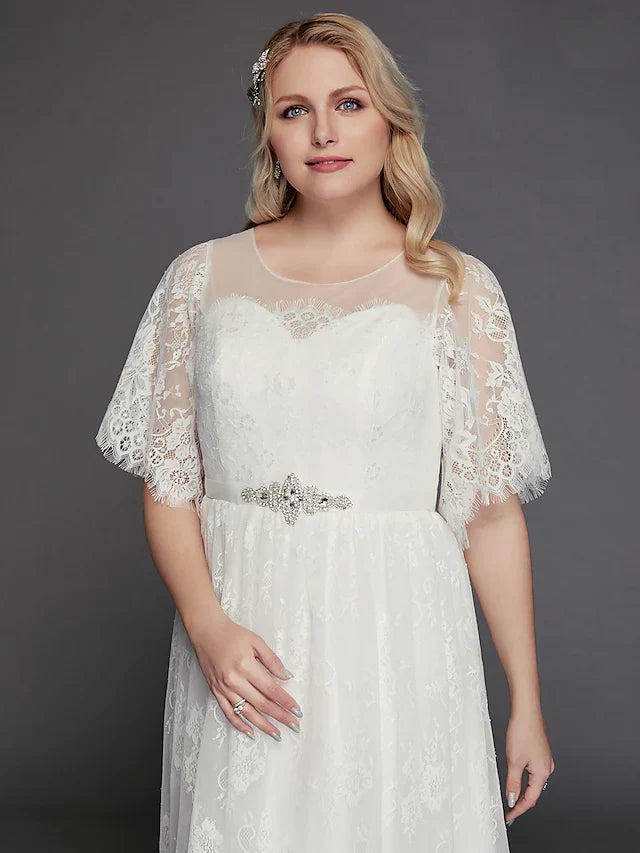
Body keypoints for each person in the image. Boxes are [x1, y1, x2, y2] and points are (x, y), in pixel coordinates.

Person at [95, 12, 555, 852]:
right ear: (268, 132)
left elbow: (489, 515)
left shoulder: (457, 288)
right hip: (243, 637)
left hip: (395, 630)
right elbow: (169, 484)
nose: (323, 133)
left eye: (348, 103)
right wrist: (208, 625)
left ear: (390, 119)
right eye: (294, 109)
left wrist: (526, 701)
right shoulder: (198, 279)